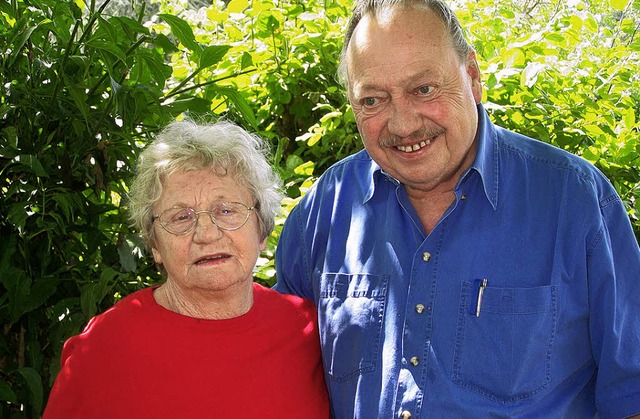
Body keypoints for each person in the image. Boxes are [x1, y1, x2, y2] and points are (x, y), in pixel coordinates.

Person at [273, 0, 640, 417]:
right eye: (373, 100)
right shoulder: (326, 207)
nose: (404, 125)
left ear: (473, 77)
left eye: (423, 89)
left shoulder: (575, 200)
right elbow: (277, 372)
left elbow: (632, 393)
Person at [43, 120, 330, 418]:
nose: (206, 233)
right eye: (181, 217)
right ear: (155, 245)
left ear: (262, 229)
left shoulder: (308, 329)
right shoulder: (105, 348)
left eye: (226, 210)